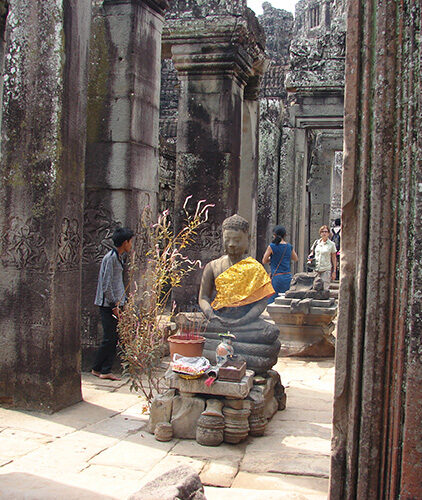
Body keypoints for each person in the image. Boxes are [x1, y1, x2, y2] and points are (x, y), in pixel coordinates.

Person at [91, 227, 134, 380]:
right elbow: (106, 284)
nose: (131, 245)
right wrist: (114, 305)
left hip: (115, 302)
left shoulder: (119, 257)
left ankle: (100, 369)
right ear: (124, 242)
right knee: (110, 337)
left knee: (113, 337)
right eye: (130, 242)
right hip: (108, 304)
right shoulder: (110, 258)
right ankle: (103, 369)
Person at [262, 225, 298, 303]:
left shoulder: (272, 246)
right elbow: (295, 258)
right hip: (287, 277)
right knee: (285, 300)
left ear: (274, 235)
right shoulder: (289, 246)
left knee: (272, 301)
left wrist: (273, 258)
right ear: (285, 235)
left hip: (276, 277)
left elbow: (264, 260)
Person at [309, 225, 337, 289]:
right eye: (322, 231)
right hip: (316, 269)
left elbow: (334, 258)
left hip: (326, 269)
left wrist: (334, 271)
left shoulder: (332, 244)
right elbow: (312, 253)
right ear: (320, 233)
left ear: (328, 233)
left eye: (326, 232)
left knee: (324, 289)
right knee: (315, 288)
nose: (324, 233)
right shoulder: (316, 243)